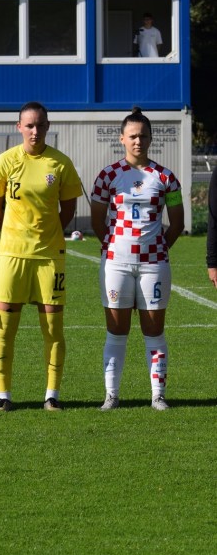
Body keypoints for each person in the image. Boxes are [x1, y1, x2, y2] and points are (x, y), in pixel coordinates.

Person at [0, 101, 82, 411]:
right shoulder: (5, 162)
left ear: (48, 126)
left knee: (53, 329)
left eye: (40, 125)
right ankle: (4, 396)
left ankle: (51, 395)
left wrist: (50, 232)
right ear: (19, 127)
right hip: (12, 255)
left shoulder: (61, 164)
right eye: (29, 125)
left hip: (50, 258)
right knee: (5, 327)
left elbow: (68, 208)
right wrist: (10, 234)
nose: (35, 131)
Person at [90, 107, 184, 411]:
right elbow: (97, 221)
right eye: (132, 136)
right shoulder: (107, 176)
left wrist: (158, 248)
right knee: (116, 331)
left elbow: (178, 222)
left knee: (154, 331)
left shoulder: (166, 178)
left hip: (154, 264)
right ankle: (111, 395)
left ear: (151, 138)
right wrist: (114, 247)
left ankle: (158, 395)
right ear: (122, 139)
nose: (138, 141)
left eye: (143, 135)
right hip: (116, 262)